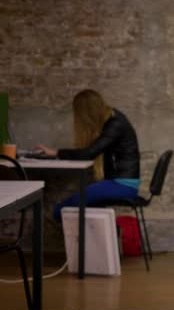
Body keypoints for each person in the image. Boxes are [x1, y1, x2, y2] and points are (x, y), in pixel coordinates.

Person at [37, 89, 141, 220]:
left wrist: (56, 152)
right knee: (86, 207)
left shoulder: (115, 124)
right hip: (119, 182)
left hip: (123, 186)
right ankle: (89, 238)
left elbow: (89, 153)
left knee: (61, 210)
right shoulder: (112, 118)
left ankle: (79, 238)